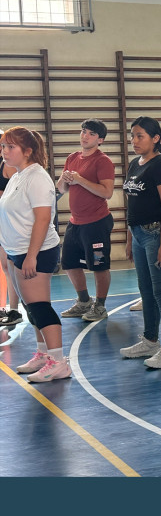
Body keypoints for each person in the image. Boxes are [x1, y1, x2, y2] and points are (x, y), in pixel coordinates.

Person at [0, 127, 67, 382]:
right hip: (17, 251)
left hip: (37, 252)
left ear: (27, 151)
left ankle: (59, 362)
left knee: (39, 307)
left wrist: (31, 256)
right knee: (31, 308)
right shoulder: (18, 175)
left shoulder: (37, 177)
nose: (4, 151)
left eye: (10, 147)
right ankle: (43, 354)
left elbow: (42, 219)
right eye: (3, 146)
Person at [119, 116, 161, 369]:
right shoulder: (136, 163)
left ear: (155, 138)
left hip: (157, 234)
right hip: (138, 234)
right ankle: (150, 340)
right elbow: (132, 204)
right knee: (146, 291)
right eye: (132, 136)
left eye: (140, 136)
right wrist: (130, 238)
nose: (134, 141)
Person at [56, 118, 115, 323]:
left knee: (99, 264)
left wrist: (80, 179)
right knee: (69, 263)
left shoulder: (103, 161)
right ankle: (83, 301)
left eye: (91, 133)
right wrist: (64, 179)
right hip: (76, 223)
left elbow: (107, 192)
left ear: (100, 140)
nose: (85, 136)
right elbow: (61, 189)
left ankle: (100, 306)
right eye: (83, 131)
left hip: (97, 223)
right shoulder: (72, 157)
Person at [0, 153, 24, 328]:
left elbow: (16, 195)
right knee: (5, 266)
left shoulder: (7, 166)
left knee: (10, 267)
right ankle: (9, 308)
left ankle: (15, 309)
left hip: (9, 222)